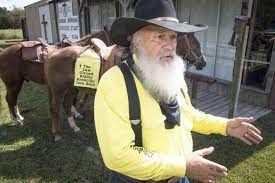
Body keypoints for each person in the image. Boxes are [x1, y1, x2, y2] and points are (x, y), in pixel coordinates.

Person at [94, 0, 263, 183]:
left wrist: (225, 126)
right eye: (159, 37)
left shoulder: (172, 73)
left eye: (173, 37)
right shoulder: (114, 82)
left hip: (181, 176)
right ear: (136, 40)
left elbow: (187, 115)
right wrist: (184, 166)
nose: (169, 46)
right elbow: (118, 156)